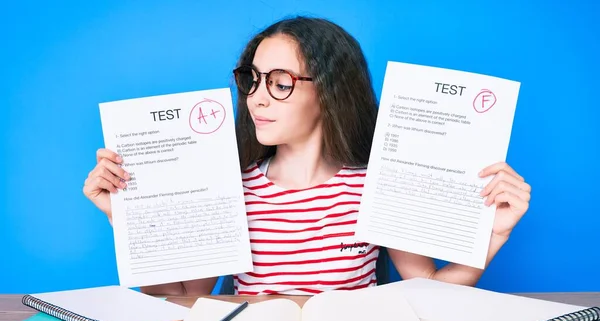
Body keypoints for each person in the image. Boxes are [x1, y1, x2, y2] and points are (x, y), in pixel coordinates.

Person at [83, 16, 531, 296]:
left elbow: (429, 294)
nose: (257, 98)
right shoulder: (228, 187)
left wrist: (495, 235)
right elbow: (180, 303)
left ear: (330, 93)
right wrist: (127, 218)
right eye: (252, 80)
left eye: (280, 82)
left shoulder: (375, 185)